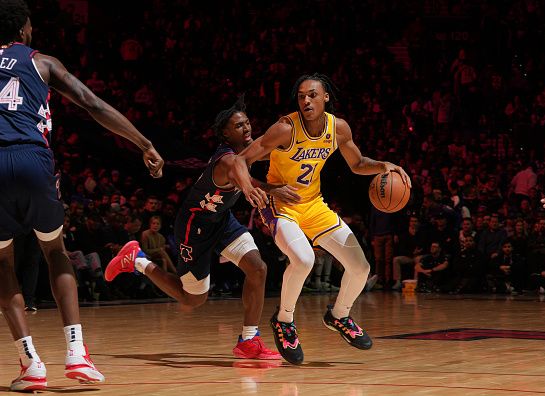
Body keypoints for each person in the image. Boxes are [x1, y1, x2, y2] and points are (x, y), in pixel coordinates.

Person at [0, 1, 164, 391]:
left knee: (2, 262)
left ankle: (30, 363)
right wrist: (143, 143)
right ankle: (76, 353)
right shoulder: (43, 62)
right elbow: (92, 103)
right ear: (25, 29)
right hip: (33, 158)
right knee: (54, 251)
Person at [231, 73, 411, 365]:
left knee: (360, 267)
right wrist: (256, 188)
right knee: (303, 259)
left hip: (314, 205)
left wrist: (383, 165)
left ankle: (339, 315)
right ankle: (284, 320)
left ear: (325, 97)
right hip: (281, 206)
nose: (306, 100)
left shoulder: (337, 128)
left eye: (312, 95)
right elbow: (240, 160)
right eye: (301, 96)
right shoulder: (284, 128)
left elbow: (357, 163)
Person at [105, 96, 296, 360]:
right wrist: (253, 190)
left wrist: (270, 188)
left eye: (247, 123)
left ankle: (249, 339)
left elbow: (247, 177)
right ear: (226, 135)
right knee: (192, 299)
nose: (247, 128)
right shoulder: (226, 161)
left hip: (221, 220)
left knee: (258, 268)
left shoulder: (242, 157)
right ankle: (137, 260)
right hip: (194, 228)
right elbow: (241, 177)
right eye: (239, 126)